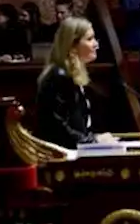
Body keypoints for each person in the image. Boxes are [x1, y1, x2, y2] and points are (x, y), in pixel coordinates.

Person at [36, 16, 115, 149]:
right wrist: (92, 141)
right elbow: (56, 127)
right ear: (72, 45)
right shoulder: (58, 77)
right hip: (63, 157)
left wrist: (93, 138)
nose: (96, 44)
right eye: (89, 39)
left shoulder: (72, 75)